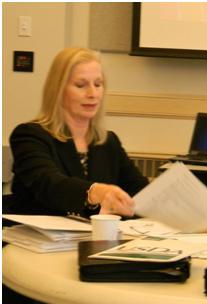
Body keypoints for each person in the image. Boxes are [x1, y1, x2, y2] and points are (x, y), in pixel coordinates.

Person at [8, 47, 149, 218]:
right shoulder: (29, 136)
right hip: (37, 241)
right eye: (81, 85)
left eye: (98, 84)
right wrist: (94, 192)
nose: (93, 93)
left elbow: (138, 190)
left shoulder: (108, 141)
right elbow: (49, 184)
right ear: (58, 90)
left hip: (97, 240)